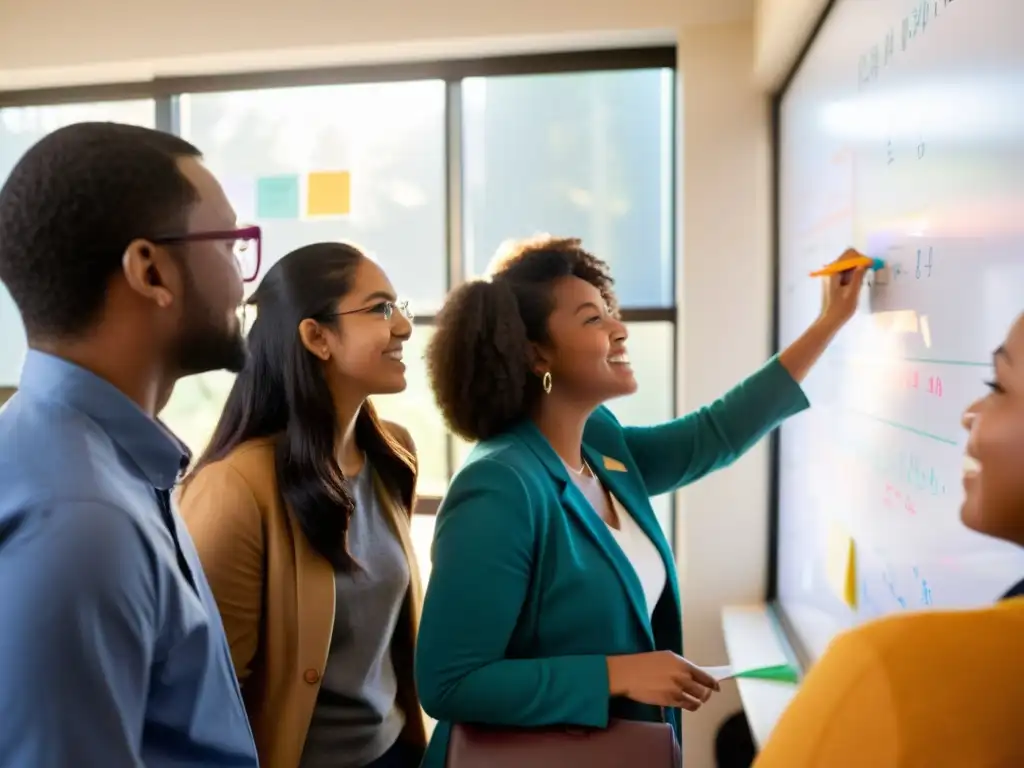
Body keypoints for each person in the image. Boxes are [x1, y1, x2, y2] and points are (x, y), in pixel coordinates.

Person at [414, 235, 864, 768]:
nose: (619, 329)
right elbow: (450, 681)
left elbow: (712, 436)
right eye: (592, 320)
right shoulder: (500, 486)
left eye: (609, 313)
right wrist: (618, 673)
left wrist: (828, 324)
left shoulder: (598, 444)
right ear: (537, 354)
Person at [0, 122, 258, 765]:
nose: (242, 279)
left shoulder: (94, 461)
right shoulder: (85, 520)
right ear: (150, 270)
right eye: (229, 243)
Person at [178, 242, 427, 768]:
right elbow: (210, 697)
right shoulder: (236, 488)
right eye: (382, 309)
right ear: (317, 337)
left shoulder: (392, 454)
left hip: (397, 753)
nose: (403, 326)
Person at [753, 314, 1024, 767]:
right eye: (594, 319)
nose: (968, 413)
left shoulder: (896, 670)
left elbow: (710, 433)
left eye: (998, 386)